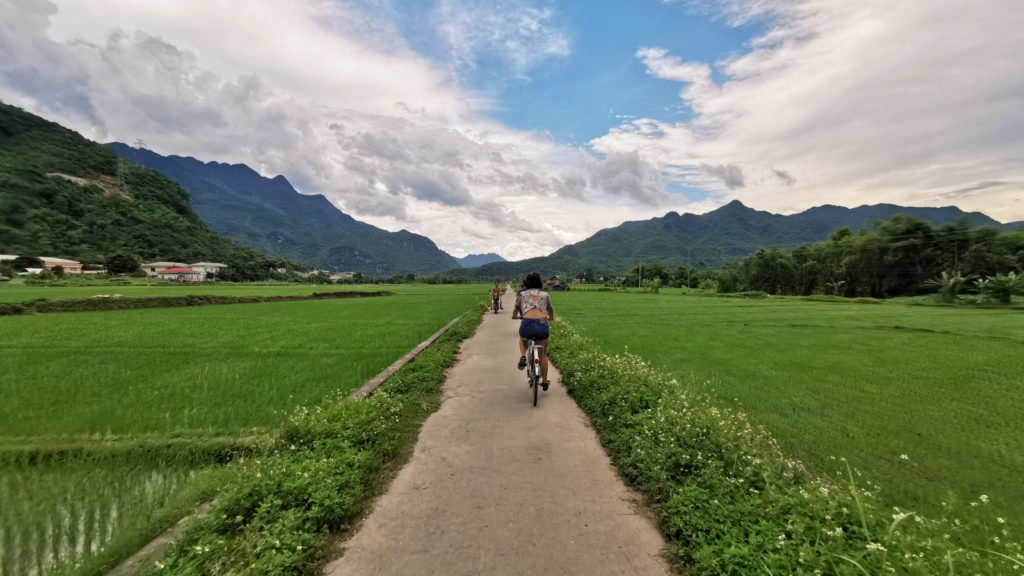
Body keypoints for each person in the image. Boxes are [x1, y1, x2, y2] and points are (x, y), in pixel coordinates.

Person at [512, 272, 555, 390]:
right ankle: (545, 381)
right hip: (542, 324)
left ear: (527, 283)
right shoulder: (545, 295)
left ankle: (522, 356)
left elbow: (516, 308)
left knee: (522, 339)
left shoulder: (522, 294)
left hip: (526, 324)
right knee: (543, 355)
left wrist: (514, 316)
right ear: (539, 282)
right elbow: (550, 309)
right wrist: (551, 318)